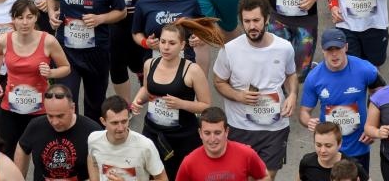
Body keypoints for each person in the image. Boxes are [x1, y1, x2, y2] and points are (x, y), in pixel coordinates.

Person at [213, 0, 298, 180]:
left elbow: (291, 75)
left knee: (266, 177)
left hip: (274, 128)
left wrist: (292, 95)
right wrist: (238, 96)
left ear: (266, 19)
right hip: (240, 127)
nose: (252, 26)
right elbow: (219, 82)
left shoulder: (284, 47)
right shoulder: (230, 49)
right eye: (247, 21)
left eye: (256, 20)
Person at [48, 0, 127, 122]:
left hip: (96, 52)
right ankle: (70, 143)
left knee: (95, 103)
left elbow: (121, 12)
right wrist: (52, 13)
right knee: (67, 99)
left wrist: (100, 18)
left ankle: (92, 142)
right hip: (66, 52)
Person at [132, 18, 222, 177]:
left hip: (182, 137)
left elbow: (206, 105)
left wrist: (182, 104)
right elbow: (147, 89)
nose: (166, 47)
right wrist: (137, 101)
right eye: (163, 42)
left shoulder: (192, 70)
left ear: (182, 45)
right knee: (152, 175)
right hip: (153, 132)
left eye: (172, 43)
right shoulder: (150, 64)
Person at [300, 28, 384, 173]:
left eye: (337, 48)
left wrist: (373, 125)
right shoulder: (314, 77)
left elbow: (381, 96)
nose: (334, 54)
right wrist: (308, 121)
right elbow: (304, 112)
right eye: (329, 49)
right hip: (328, 151)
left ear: (346, 47)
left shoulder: (365, 69)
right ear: (322, 50)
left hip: (358, 146)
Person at [0, 0, 70, 157]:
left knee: (41, 156)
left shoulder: (48, 41)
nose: (24, 22)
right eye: (20, 17)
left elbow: (66, 68)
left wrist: (51, 73)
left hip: (39, 109)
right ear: (13, 20)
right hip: (10, 106)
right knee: (6, 154)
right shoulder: (4, 40)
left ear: (36, 17)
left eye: (29, 17)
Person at [15, 83, 101, 181]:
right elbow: (22, 147)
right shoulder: (36, 126)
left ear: (72, 108)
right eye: (50, 116)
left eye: (60, 116)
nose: (55, 122)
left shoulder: (92, 131)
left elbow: (102, 172)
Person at [176, 105, 270, 181]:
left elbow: (265, 177)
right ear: (200, 133)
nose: (212, 139)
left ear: (226, 132)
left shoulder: (246, 154)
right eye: (207, 133)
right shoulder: (189, 163)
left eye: (217, 133)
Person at [88, 94, 167, 180]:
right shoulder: (94, 139)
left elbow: (162, 179)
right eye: (115, 123)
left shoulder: (145, 146)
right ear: (103, 121)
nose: (121, 128)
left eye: (124, 121)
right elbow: (92, 160)